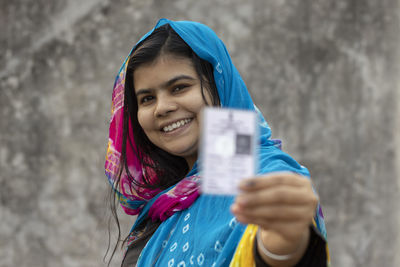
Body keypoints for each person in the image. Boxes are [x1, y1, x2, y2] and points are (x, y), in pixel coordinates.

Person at [105, 19, 330, 266]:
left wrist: (284, 245)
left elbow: (281, 247)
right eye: (147, 98)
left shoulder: (261, 175)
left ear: (220, 85)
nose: (162, 108)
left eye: (179, 88)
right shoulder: (166, 203)